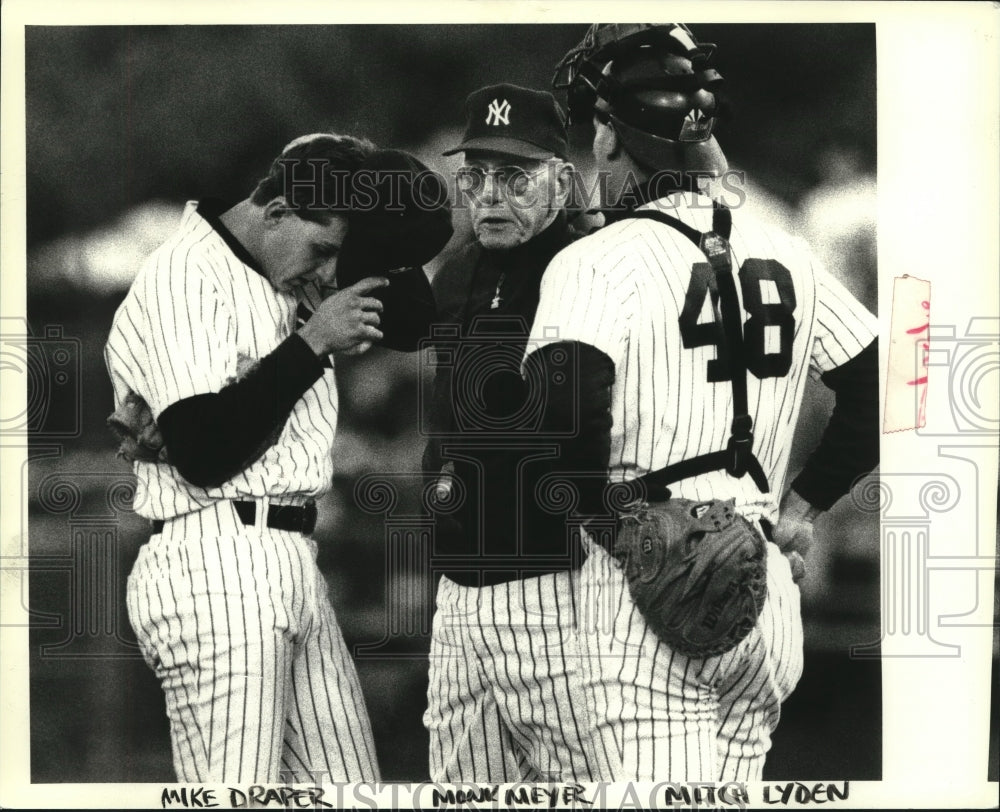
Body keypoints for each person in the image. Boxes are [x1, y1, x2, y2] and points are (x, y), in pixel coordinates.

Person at [521, 24, 879, 781]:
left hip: (648, 581)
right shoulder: (786, 246)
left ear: (609, 136)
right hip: (766, 584)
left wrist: (616, 535)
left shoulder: (597, 260)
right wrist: (804, 509)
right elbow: (876, 380)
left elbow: (561, 417)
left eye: (599, 128)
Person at [104, 133, 451, 783]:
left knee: (350, 791)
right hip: (212, 559)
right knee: (236, 794)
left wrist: (380, 207)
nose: (326, 274)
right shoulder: (186, 275)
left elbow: (415, 317)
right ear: (278, 209)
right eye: (323, 251)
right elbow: (205, 453)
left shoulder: (282, 269)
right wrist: (311, 343)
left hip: (290, 559)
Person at [421, 83, 600, 782]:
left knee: (588, 787)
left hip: (556, 584)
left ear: (561, 178)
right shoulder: (458, 272)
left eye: (514, 177)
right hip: (459, 587)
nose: (490, 195)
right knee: (461, 789)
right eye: (476, 176)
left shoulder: (589, 265)